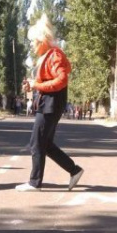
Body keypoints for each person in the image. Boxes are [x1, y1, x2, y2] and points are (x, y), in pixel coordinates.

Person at [16, 14, 84, 192]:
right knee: (45, 144)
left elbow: (61, 80)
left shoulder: (54, 55)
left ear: (42, 40)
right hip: (49, 103)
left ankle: (34, 182)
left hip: (50, 105)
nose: (32, 45)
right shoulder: (50, 54)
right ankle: (74, 170)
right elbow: (50, 81)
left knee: (36, 143)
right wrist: (33, 86)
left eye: (33, 41)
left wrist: (36, 85)